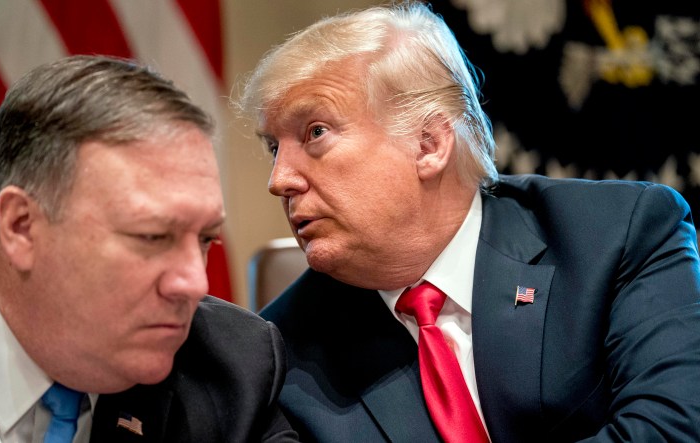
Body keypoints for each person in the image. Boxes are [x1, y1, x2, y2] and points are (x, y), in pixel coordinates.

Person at [235, 2, 700, 442]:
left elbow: (671, 428)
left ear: (429, 143)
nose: (280, 181)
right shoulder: (282, 354)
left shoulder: (618, 235)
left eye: (315, 132)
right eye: (274, 148)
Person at [0, 55, 298, 442]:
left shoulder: (233, 369)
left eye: (205, 239)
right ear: (22, 227)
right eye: (152, 237)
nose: (194, 283)